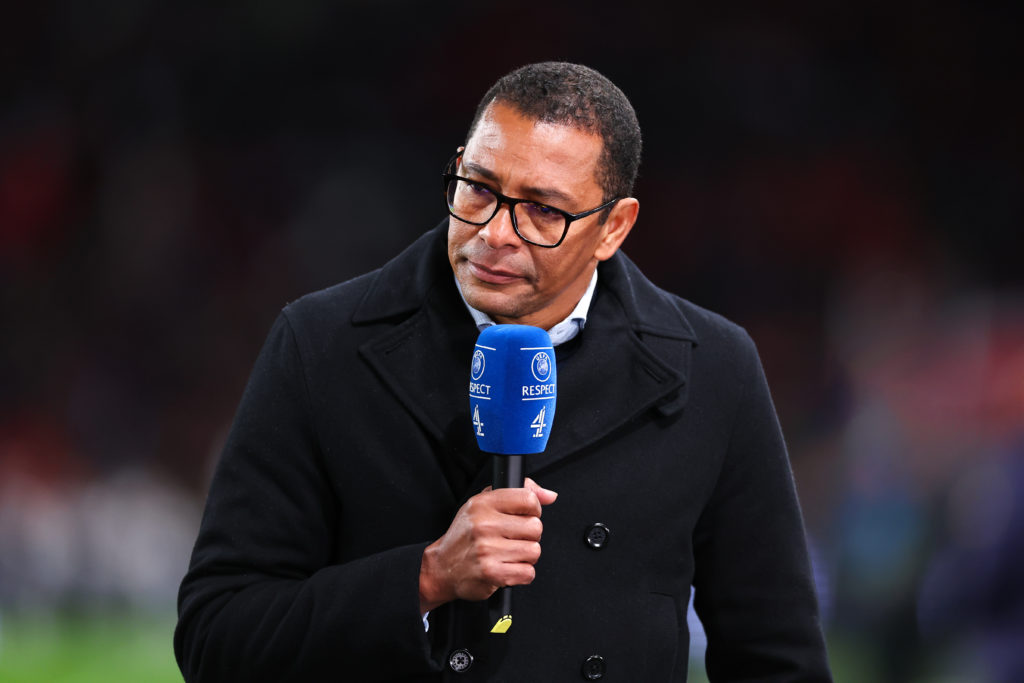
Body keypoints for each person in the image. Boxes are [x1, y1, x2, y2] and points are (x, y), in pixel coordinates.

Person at [175, 62, 832, 682]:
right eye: (479, 188)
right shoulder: (320, 343)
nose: (495, 231)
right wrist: (426, 578)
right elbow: (216, 637)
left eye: (543, 210)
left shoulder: (715, 369)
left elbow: (776, 657)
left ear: (614, 227)